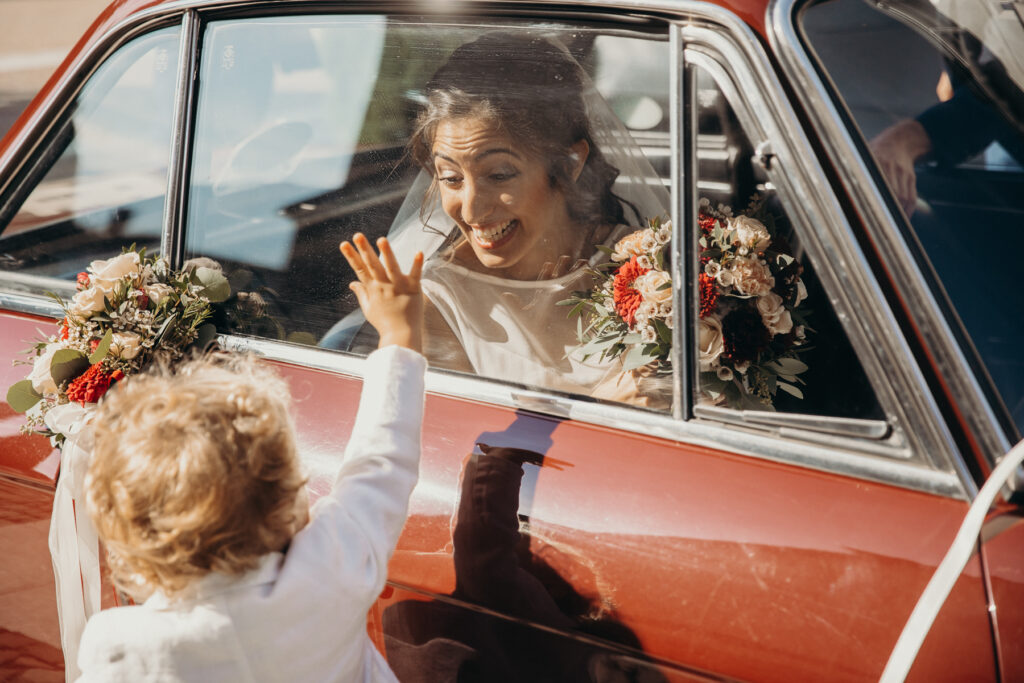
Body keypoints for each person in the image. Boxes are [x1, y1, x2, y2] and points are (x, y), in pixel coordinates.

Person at [77, 235, 426, 682]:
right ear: (288, 503)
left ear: (134, 544)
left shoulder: (125, 650)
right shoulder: (333, 568)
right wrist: (399, 335)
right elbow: (381, 460)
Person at [391, 32, 671, 406]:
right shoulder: (439, 300)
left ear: (570, 163)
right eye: (451, 178)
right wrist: (602, 407)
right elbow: (462, 437)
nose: (471, 211)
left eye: (499, 175)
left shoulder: (650, 269)